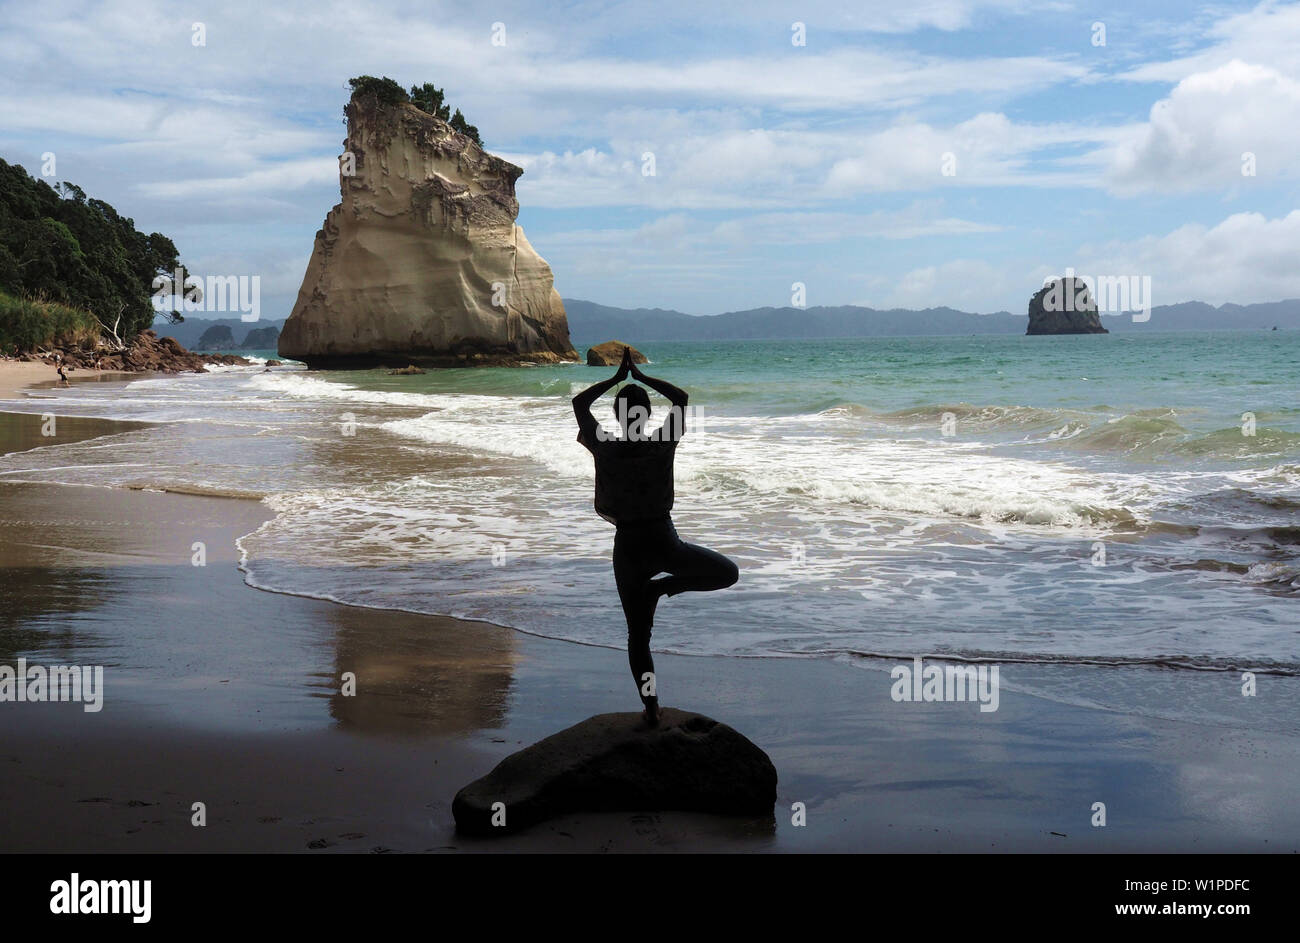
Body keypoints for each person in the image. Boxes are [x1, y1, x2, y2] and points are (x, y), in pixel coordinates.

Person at [573, 347, 738, 726]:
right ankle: (663, 589)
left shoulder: (604, 445)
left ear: (616, 415)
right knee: (727, 573)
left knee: (638, 638)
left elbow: (580, 402)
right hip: (664, 542)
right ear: (646, 415)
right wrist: (643, 378)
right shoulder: (663, 441)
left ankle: (651, 708)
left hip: (628, 547)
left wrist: (615, 380)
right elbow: (680, 399)